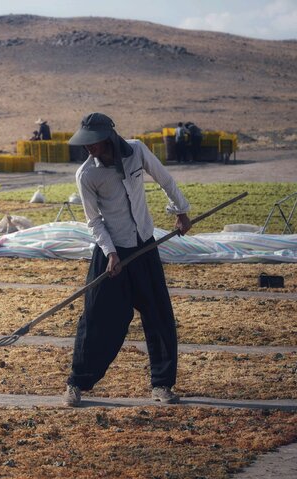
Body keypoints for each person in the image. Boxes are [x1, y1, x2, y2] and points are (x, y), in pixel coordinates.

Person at [64, 112, 192, 407]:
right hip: (112, 253)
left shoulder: (137, 151)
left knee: (159, 316)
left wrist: (181, 212)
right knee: (97, 319)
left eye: (93, 143)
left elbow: (165, 179)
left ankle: (162, 385)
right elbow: (94, 221)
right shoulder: (86, 174)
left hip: (144, 247)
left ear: (109, 137)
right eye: (85, 144)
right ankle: (77, 383)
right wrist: (110, 253)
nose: (89, 149)